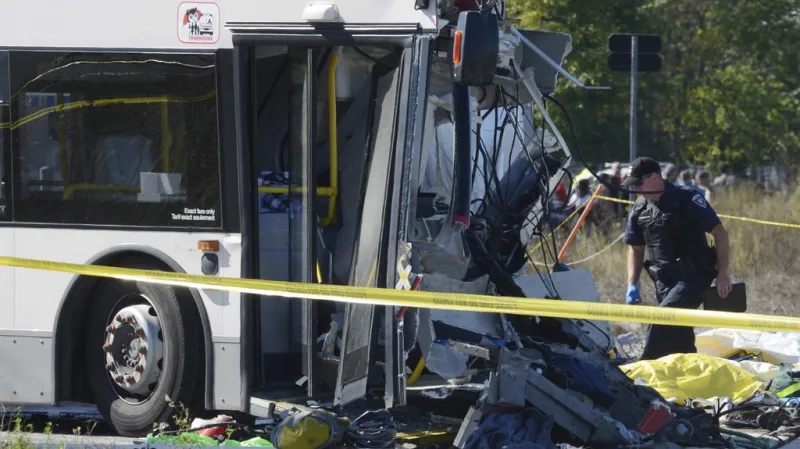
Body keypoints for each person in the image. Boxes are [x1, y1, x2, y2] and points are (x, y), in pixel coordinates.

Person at [621, 157, 732, 360]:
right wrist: (632, 284)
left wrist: (723, 274)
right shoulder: (639, 208)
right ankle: (688, 372)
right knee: (678, 332)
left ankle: (642, 369)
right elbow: (636, 249)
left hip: (694, 274)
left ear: (654, 177)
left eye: (639, 183)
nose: (637, 189)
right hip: (663, 280)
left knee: (662, 319)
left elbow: (720, 233)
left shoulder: (686, 198)